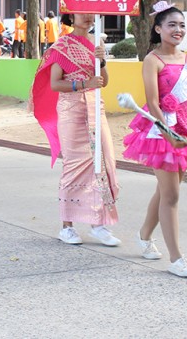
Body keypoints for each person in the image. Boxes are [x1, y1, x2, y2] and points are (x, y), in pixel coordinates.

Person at [122, 1, 187, 278]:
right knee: (172, 195)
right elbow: (153, 102)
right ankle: (176, 259)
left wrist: (181, 104)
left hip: (185, 129)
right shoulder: (152, 60)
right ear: (158, 29)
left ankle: (143, 235)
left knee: (166, 191)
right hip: (160, 132)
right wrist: (168, 132)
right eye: (172, 25)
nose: (178, 30)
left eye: (182, 25)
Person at [31, 13, 121, 247]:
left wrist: (102, 62)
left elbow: (104, 81)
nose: (88, 17)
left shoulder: (97, 43)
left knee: (104, 162)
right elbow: (55, 83)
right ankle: (67, 226)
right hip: (71, 110)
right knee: (74, 165)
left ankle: (98, 223)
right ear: (71, 16)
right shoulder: (62, 45)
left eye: (91, 13)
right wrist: (83, 84)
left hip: (95, 108)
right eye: (82, 13)